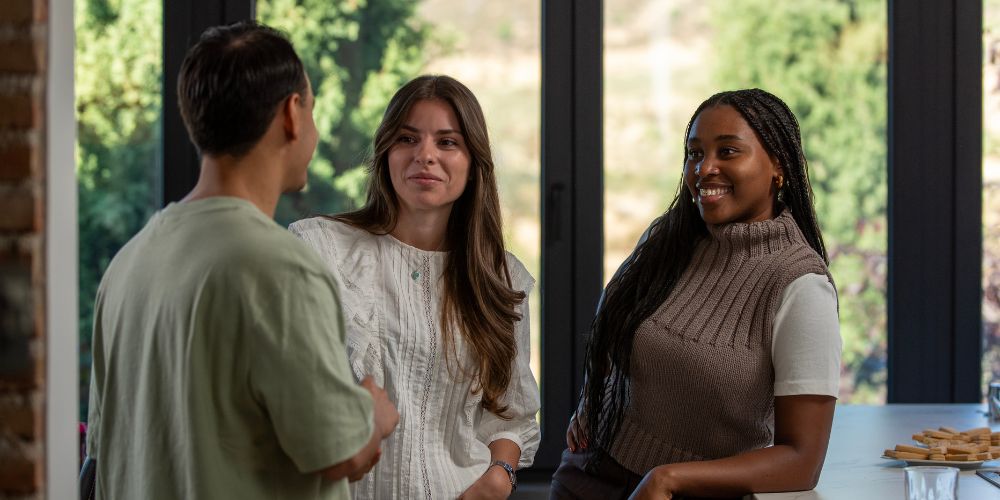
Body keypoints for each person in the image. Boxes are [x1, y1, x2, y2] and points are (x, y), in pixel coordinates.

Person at [85, 21, 398, 500]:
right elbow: (342, 453)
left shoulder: (128, 263)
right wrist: (373, 416)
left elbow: (105, 450)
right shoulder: (280, 269)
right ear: (292, 114)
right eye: (311, 108)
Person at [550, 89, 842, 500]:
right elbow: (613, 320)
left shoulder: (801, 286)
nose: (705, 168)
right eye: (695, 154)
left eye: (728, 151)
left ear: (779, 165)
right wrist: (593, 399)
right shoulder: (667, 237)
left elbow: (802, 461)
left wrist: (668, 478)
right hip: (587, 475)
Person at [290, 74, 540, 499]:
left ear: (473, 162)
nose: (425, 155)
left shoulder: (502, 277)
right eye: (407, 139)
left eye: (447, 142)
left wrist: (499, 478)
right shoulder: (320, 249)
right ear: (385, 151)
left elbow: (511, 416)